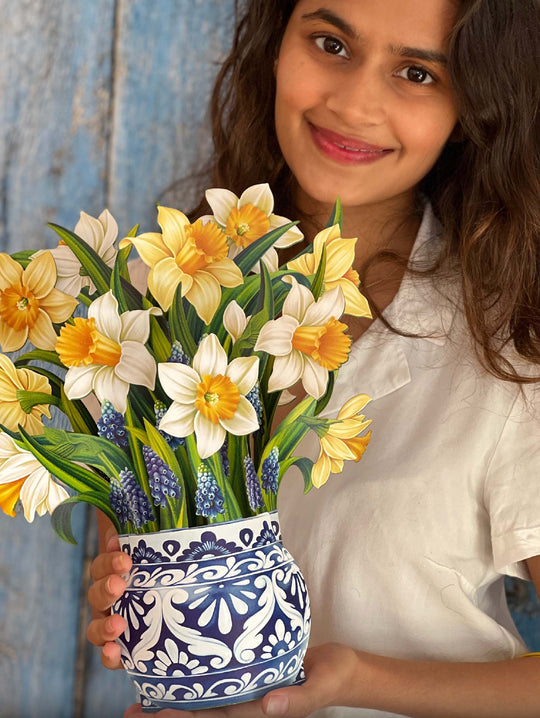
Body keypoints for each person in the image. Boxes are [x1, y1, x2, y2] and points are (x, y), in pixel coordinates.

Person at [86, 0, 540, 716]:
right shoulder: (149, 302)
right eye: (330, 43)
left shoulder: (512, 351)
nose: (355, 103)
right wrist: (125, 595)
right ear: (275, 44)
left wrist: (353, 678)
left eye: (418, 73)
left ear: (476, 104)